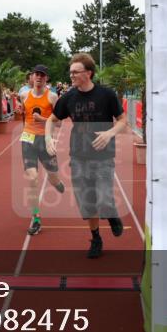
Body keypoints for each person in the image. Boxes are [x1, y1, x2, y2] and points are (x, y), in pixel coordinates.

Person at [46, 53, 129, 258]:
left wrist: (110, 133)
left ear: (88, 73)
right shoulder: (68, 98)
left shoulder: (106, 95)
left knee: (104, 199)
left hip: (103, 156)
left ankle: (111, 214)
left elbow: (122, 120)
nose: (71, 75)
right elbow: (51, 120)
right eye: (71, 72)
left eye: (76, 72)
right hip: (79, 157)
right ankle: (96, 238)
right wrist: (48, 138)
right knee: (88, 202)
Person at [18, 65, 66, 235]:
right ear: (31, 77)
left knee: (53, 178)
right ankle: (36, 218)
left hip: (46, 141)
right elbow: (23, 112)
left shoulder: (53, 97)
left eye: (42, 75)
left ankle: (58, 184)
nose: (38, 77)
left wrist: (43, 119)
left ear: (46, 79)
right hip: (28, 139)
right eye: (36, 74)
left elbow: (59, 123)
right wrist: (20, 111)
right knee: (32, 179)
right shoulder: (24, 95)